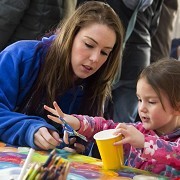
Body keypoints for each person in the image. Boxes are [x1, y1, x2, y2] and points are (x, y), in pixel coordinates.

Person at [0, 1, 124, 151]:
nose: (95, 58)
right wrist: (29, 129)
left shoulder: (98, 86)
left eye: (104, 52)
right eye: (89, 45)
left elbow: (96, 138)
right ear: (70, 35)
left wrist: (82, 147)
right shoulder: (20, 55)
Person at [45, 59, 180, 178]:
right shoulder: (138, 131)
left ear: (177, 107)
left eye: (151, 102)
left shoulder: (142, 138)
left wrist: (144, 143)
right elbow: (104, 127)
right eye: (139, 99)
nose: (142, 108)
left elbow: (176, 153)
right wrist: (77, 122)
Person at [76, 0, 164, 123]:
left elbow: (84, 10)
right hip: (139, 54)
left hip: (106, 51)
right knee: (124, 123)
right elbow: (154, 25)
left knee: (91, 116)